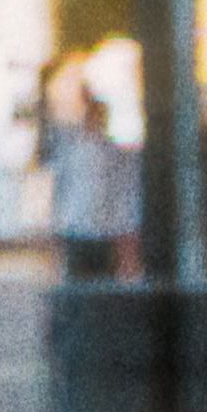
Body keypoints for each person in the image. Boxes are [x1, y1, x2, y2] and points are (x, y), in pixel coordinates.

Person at [50, 83, 141, 284]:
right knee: (85, 282)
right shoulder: (77, 151)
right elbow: (64, 191)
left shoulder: (110, 154)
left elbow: (119, 198)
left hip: (98, 232)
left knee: (96, 282)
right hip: (80, 230)